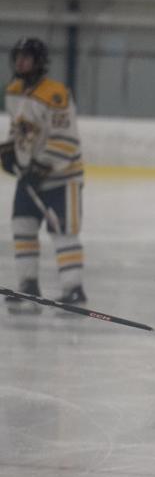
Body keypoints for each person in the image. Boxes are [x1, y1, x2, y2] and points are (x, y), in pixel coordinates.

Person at [1, 37, 87, 312]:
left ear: (39, 61)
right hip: (29, 176)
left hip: (62, 177)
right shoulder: (14, 91)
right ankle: (28, 285)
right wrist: (9, 150)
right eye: (18, 57)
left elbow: (66, 139)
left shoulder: (56, 94)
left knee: (63, 231)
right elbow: (18, 127)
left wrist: (41, 166)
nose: (20, 62)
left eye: (26, 57)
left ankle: (73, 288)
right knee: (22, 227)